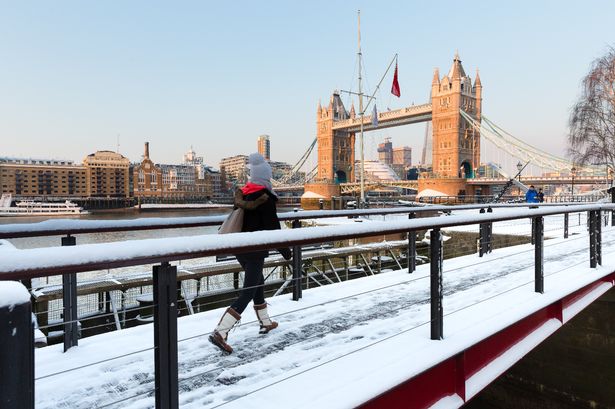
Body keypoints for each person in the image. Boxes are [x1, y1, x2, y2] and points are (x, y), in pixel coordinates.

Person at [209, 153, 291, 354]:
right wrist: (286, 252)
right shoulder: (266, 198)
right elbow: (273, 228)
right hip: (255, 249)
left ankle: (265, 322)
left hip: (240, 247)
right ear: (266, 177)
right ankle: (221, 331)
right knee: (249, 289)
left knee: (257, 282)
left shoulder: (244, 194)